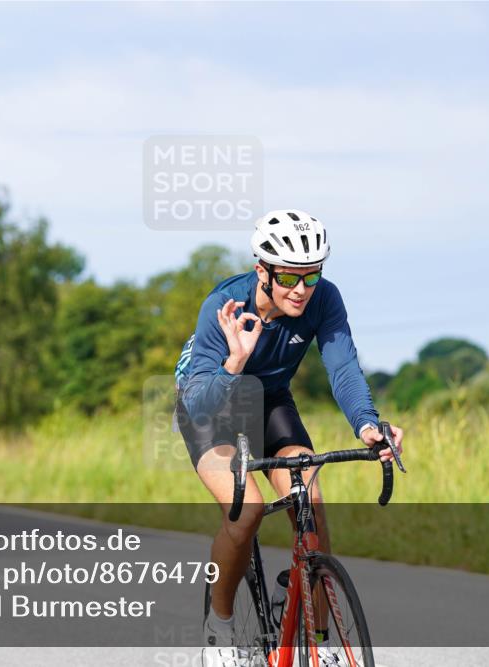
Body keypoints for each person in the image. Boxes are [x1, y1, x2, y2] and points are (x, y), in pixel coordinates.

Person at [174, 209, 405, 667]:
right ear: (262, 269)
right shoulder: (224, 305)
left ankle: (315, 643)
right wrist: (236, 362)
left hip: (270, 402)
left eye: (311, 276)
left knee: (311, 502)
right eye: (288, 277)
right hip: (212, 402)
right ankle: (219, 630)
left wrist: (367, 424)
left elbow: (343, 368)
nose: (301, 289)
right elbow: (199, 403)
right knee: (248, 512)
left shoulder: (324, 299)